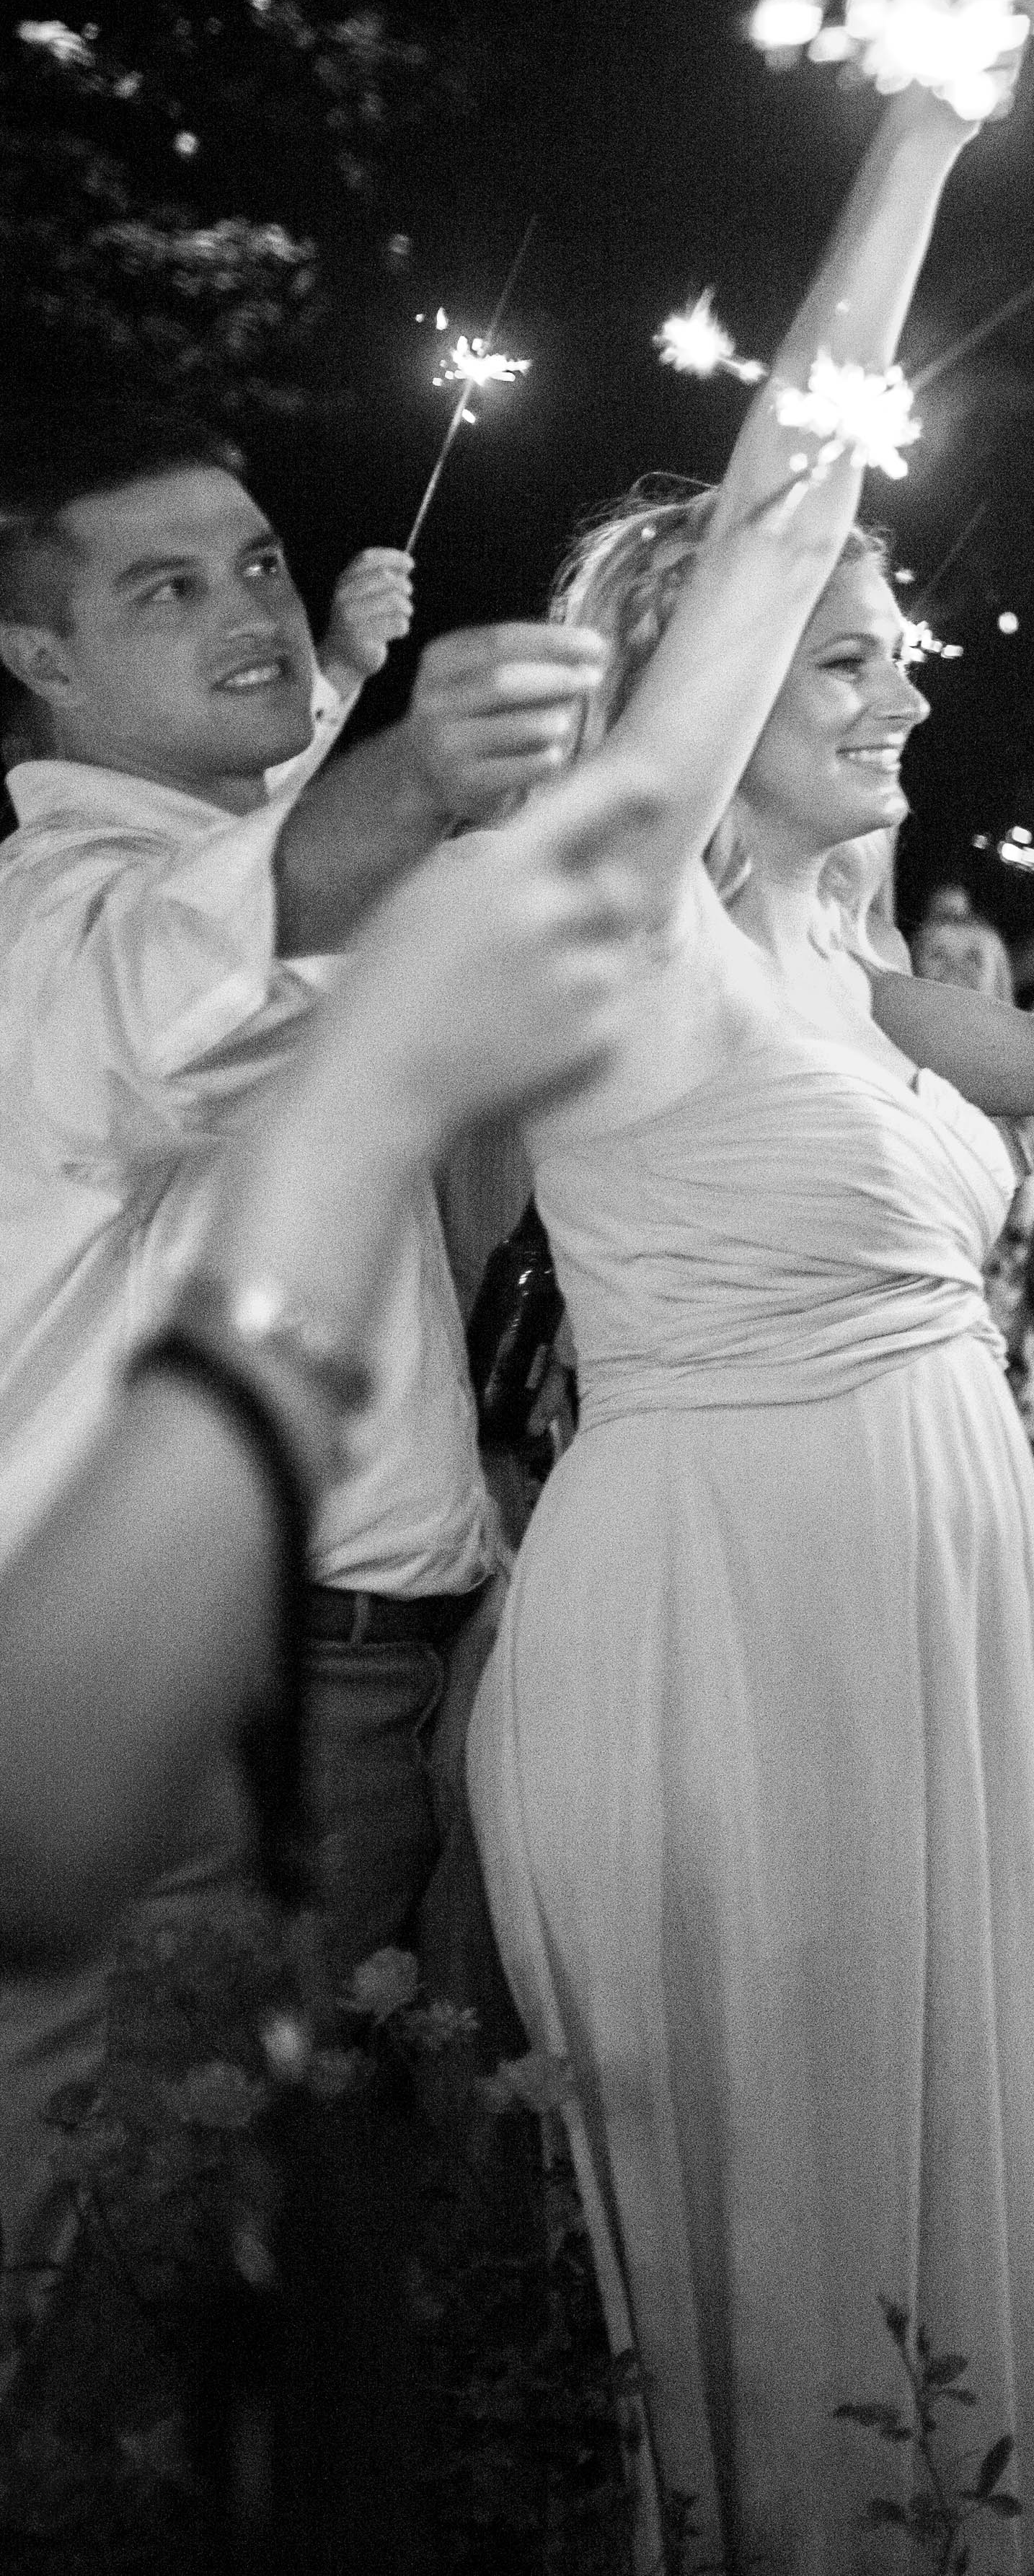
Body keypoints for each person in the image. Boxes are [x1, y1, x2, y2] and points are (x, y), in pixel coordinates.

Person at [461, 57, 1034, 2570]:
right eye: (842, 661)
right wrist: (918, 142)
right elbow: (785, 493)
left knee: (898, 2128)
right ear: (698, 694)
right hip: (721, 1618)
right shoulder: (636, 925)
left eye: (900, 656)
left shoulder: (851, 976)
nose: (903, 692)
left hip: (915, 1614)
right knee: (763, 2159)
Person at [0, 405, 610, 2301]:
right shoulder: (62, 915)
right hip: (199, 1713)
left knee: (275, 2260)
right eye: (164, 590)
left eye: (259, 562)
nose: (248, 608)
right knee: (134, 2275)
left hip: (358, 1668)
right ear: (40, 659)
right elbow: (199, 959)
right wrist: (415, 766)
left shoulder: (233, 858)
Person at [913, 901, 1034, 1428]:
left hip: (1011, 1353)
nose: (954, 970)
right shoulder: (892, 1085)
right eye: (937, 956)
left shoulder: (1028, 1101)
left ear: (998, 978)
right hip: (918, 1350)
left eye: (973, 958)